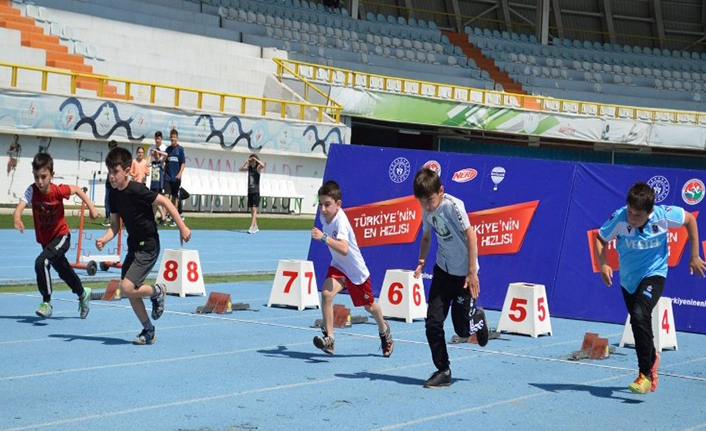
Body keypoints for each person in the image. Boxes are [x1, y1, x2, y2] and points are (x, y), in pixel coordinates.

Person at [594, 182, 706, 394]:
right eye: (630, 212)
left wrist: (694, 255)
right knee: (638, 324)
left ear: (649, 212)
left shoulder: (663, 216)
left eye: (637, 215)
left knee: (639, 314)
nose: (632, 218)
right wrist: (604, 264)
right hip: (628, 280)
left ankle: (645, 374)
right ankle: (652, 358)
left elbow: (690, 220)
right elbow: (600, 239)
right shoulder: (619, 218)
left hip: (654, 275)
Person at [96, 147, 191, 345]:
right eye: (109, 172)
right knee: (130, 291)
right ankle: (148, 330)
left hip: (148, 244)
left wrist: (181, 227)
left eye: (116, 172)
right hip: (134, 245)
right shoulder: (113, 195)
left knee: (127, 287)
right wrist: (105, 239)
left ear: (128, 170)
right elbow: (115, 226)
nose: (112, 177)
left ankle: (158, 291)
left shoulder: (137, 190)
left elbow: (165, 200)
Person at [412, 167, 489, 388]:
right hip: (442, 270)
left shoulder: (453, 206)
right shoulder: (426, 211)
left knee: (462, 330)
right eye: (422, 201)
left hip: (463, 275)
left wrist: (472, 272)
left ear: (441, 191)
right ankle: (443, 370)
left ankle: (478, 318)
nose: (426, 205)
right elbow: (426, 236)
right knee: (433, 323)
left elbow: (471, 235)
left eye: (430, 199)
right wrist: (421, 260)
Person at [310, 180, 393, 357]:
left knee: (370, 306)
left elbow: (344, 248)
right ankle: (330, 339)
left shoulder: (341, 221)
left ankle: (384, 330)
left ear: (338, 204)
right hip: (339, 266)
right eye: (321, 204)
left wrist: (323, 238)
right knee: (326, 294)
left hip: (356, 272)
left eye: (327, 205)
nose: (323, 209)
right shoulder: (324, 216)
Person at [13, 152, 99, 319]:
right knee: (64, 271)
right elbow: (19, 207)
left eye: (44, 177)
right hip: (46, 241)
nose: (40, 181)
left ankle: (47, 302)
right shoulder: (31, 190)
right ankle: (83, 293)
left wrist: (92, 208)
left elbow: (77, 190)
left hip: (62, 236)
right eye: (36, 176)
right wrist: (17, 217)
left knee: (41, 262)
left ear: (51, 175)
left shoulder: (57, 191)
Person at [163, 129, 185, 227]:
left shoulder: (180, 149)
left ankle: (173, 218)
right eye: (171, 137)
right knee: (166, 198)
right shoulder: (168, 150)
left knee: (174, 199)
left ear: (177, 138)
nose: (173, 139)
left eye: (174, 137)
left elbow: (183, 163)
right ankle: (164, 217)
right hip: (168, 177)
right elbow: (165, 162)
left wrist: (180, 173)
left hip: (176, 178)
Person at [240, 154, 265, 234]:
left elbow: (263, 165)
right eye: (251, 161)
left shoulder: (257, 168)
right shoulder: (249, 168)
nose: (252, 162)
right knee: (252, 210)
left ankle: (252, 226)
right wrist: (246, 162)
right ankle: (256, 226)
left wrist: (256, 159)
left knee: (254, 209)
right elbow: (240, 169)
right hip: (250, 191)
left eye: (252, 161)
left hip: (256, 191)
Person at [149, 132, 167, 224]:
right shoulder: (152, 163)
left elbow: (166, 155)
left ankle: (163, 216)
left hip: (159, 183)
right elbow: (147, 162)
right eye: (156, 138)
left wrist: (158, 152)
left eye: (159, 138)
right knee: (153, 202)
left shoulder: (160, 163)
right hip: (153, 183)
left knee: (155, 201)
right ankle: (154, 218)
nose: (156, 155)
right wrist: (152, 153)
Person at [102, 140, 118, 226]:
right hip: (109, 181)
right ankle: (107, 217)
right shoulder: (108, 157)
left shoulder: (119, 157)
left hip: (117, 180)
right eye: (111, 148)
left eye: (114, 148)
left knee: (118, 199)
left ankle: (119, 218)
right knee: (108, 199)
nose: (112, 150)